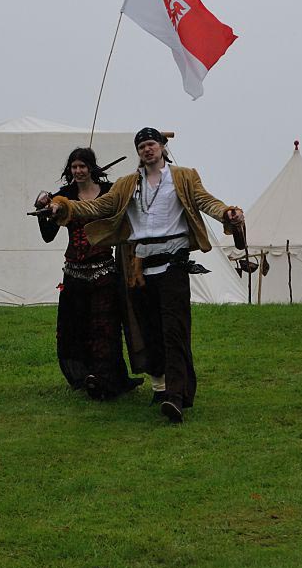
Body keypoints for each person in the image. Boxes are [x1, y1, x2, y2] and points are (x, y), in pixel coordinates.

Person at [47, 127, 244, 423]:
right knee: (148, 330)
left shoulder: (184, 177)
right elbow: (97, 206)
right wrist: (62, 205)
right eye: (142, 146)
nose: (147, 149)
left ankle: (175, 398)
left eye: (151, 144)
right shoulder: (128, 185)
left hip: (173, 265)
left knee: (174, 330)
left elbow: (206, 202)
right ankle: (160, 387)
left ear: (162, 147)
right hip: (139, 267)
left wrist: (227, 213)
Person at [35, 148, 143, 400]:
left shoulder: (109, 192)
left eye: (82, 166)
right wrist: (42, 209)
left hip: (104, 269)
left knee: (104, 327)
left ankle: (104, 377)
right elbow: (48, 236)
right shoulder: (64, 196)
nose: (78, 171)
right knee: (75, 327)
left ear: (92, 167)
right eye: (74, 167)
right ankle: (84, 375)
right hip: (73, 271)